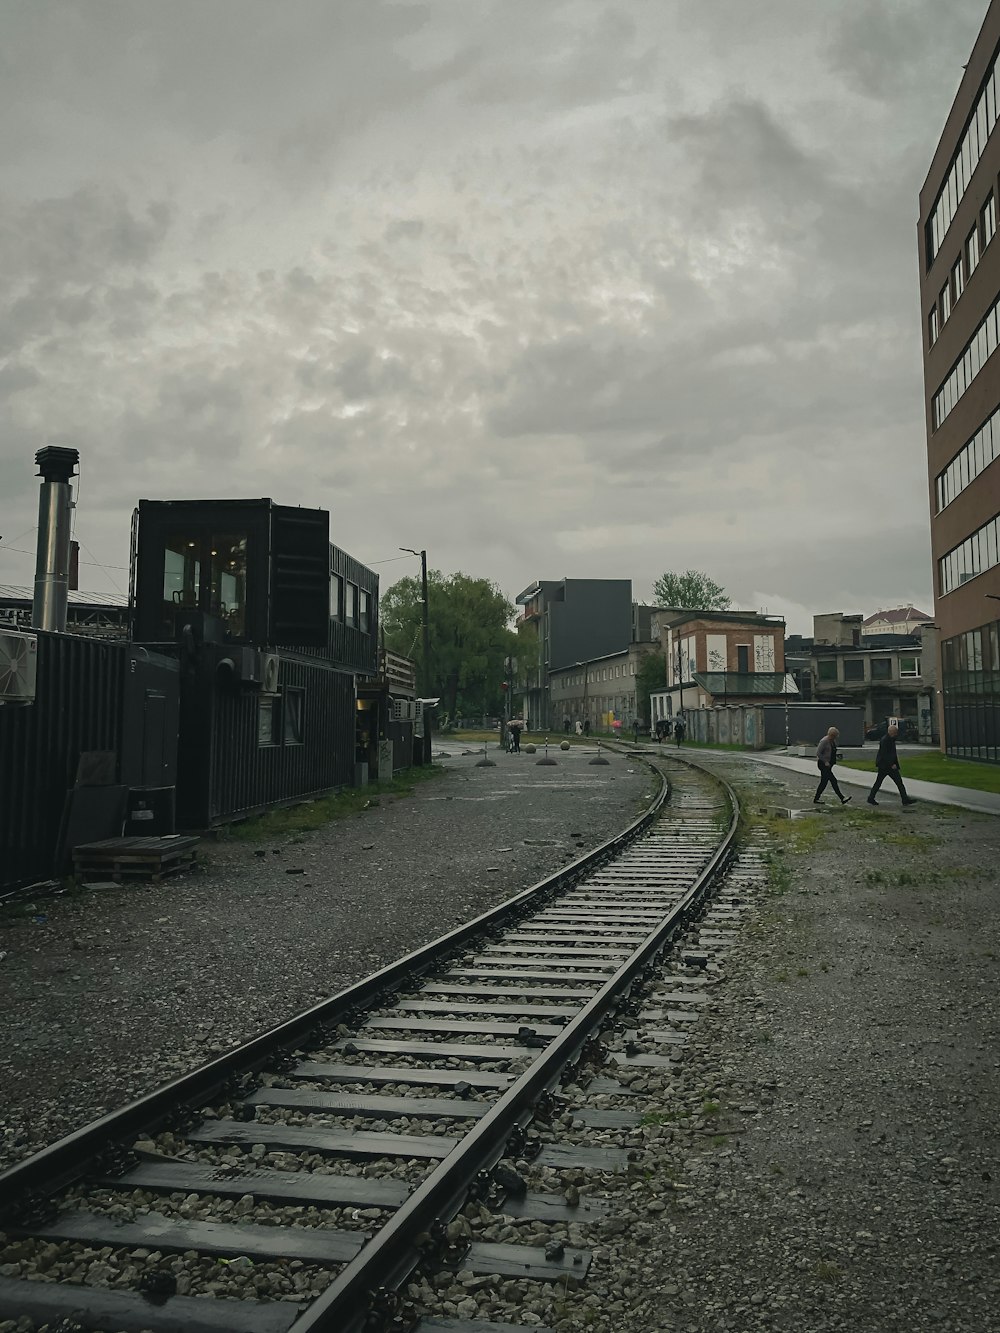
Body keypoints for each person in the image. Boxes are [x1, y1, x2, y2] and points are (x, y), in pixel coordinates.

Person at [867, 725, 916, 806]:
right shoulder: (885, 740)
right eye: (895, 732)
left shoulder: (890, 739)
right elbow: (884, 754)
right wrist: (892, 764)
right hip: (886, 766)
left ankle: (871, 798)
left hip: (886, 765)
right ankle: (905, 799)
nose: (896, 734)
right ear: (891, 732)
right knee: (896, 782)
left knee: (886, 782)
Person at [814, 726, 851, 804]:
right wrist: (825, 761)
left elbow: (832, 751)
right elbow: (818, 753)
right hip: (823, 764)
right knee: (833, 781)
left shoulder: (832, 741)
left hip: (829, 765)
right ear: (830, 734)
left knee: (824, 782)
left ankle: (816, 798)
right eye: (834, 736)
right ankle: (842, 798)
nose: (835, 737)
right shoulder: (824, 741)